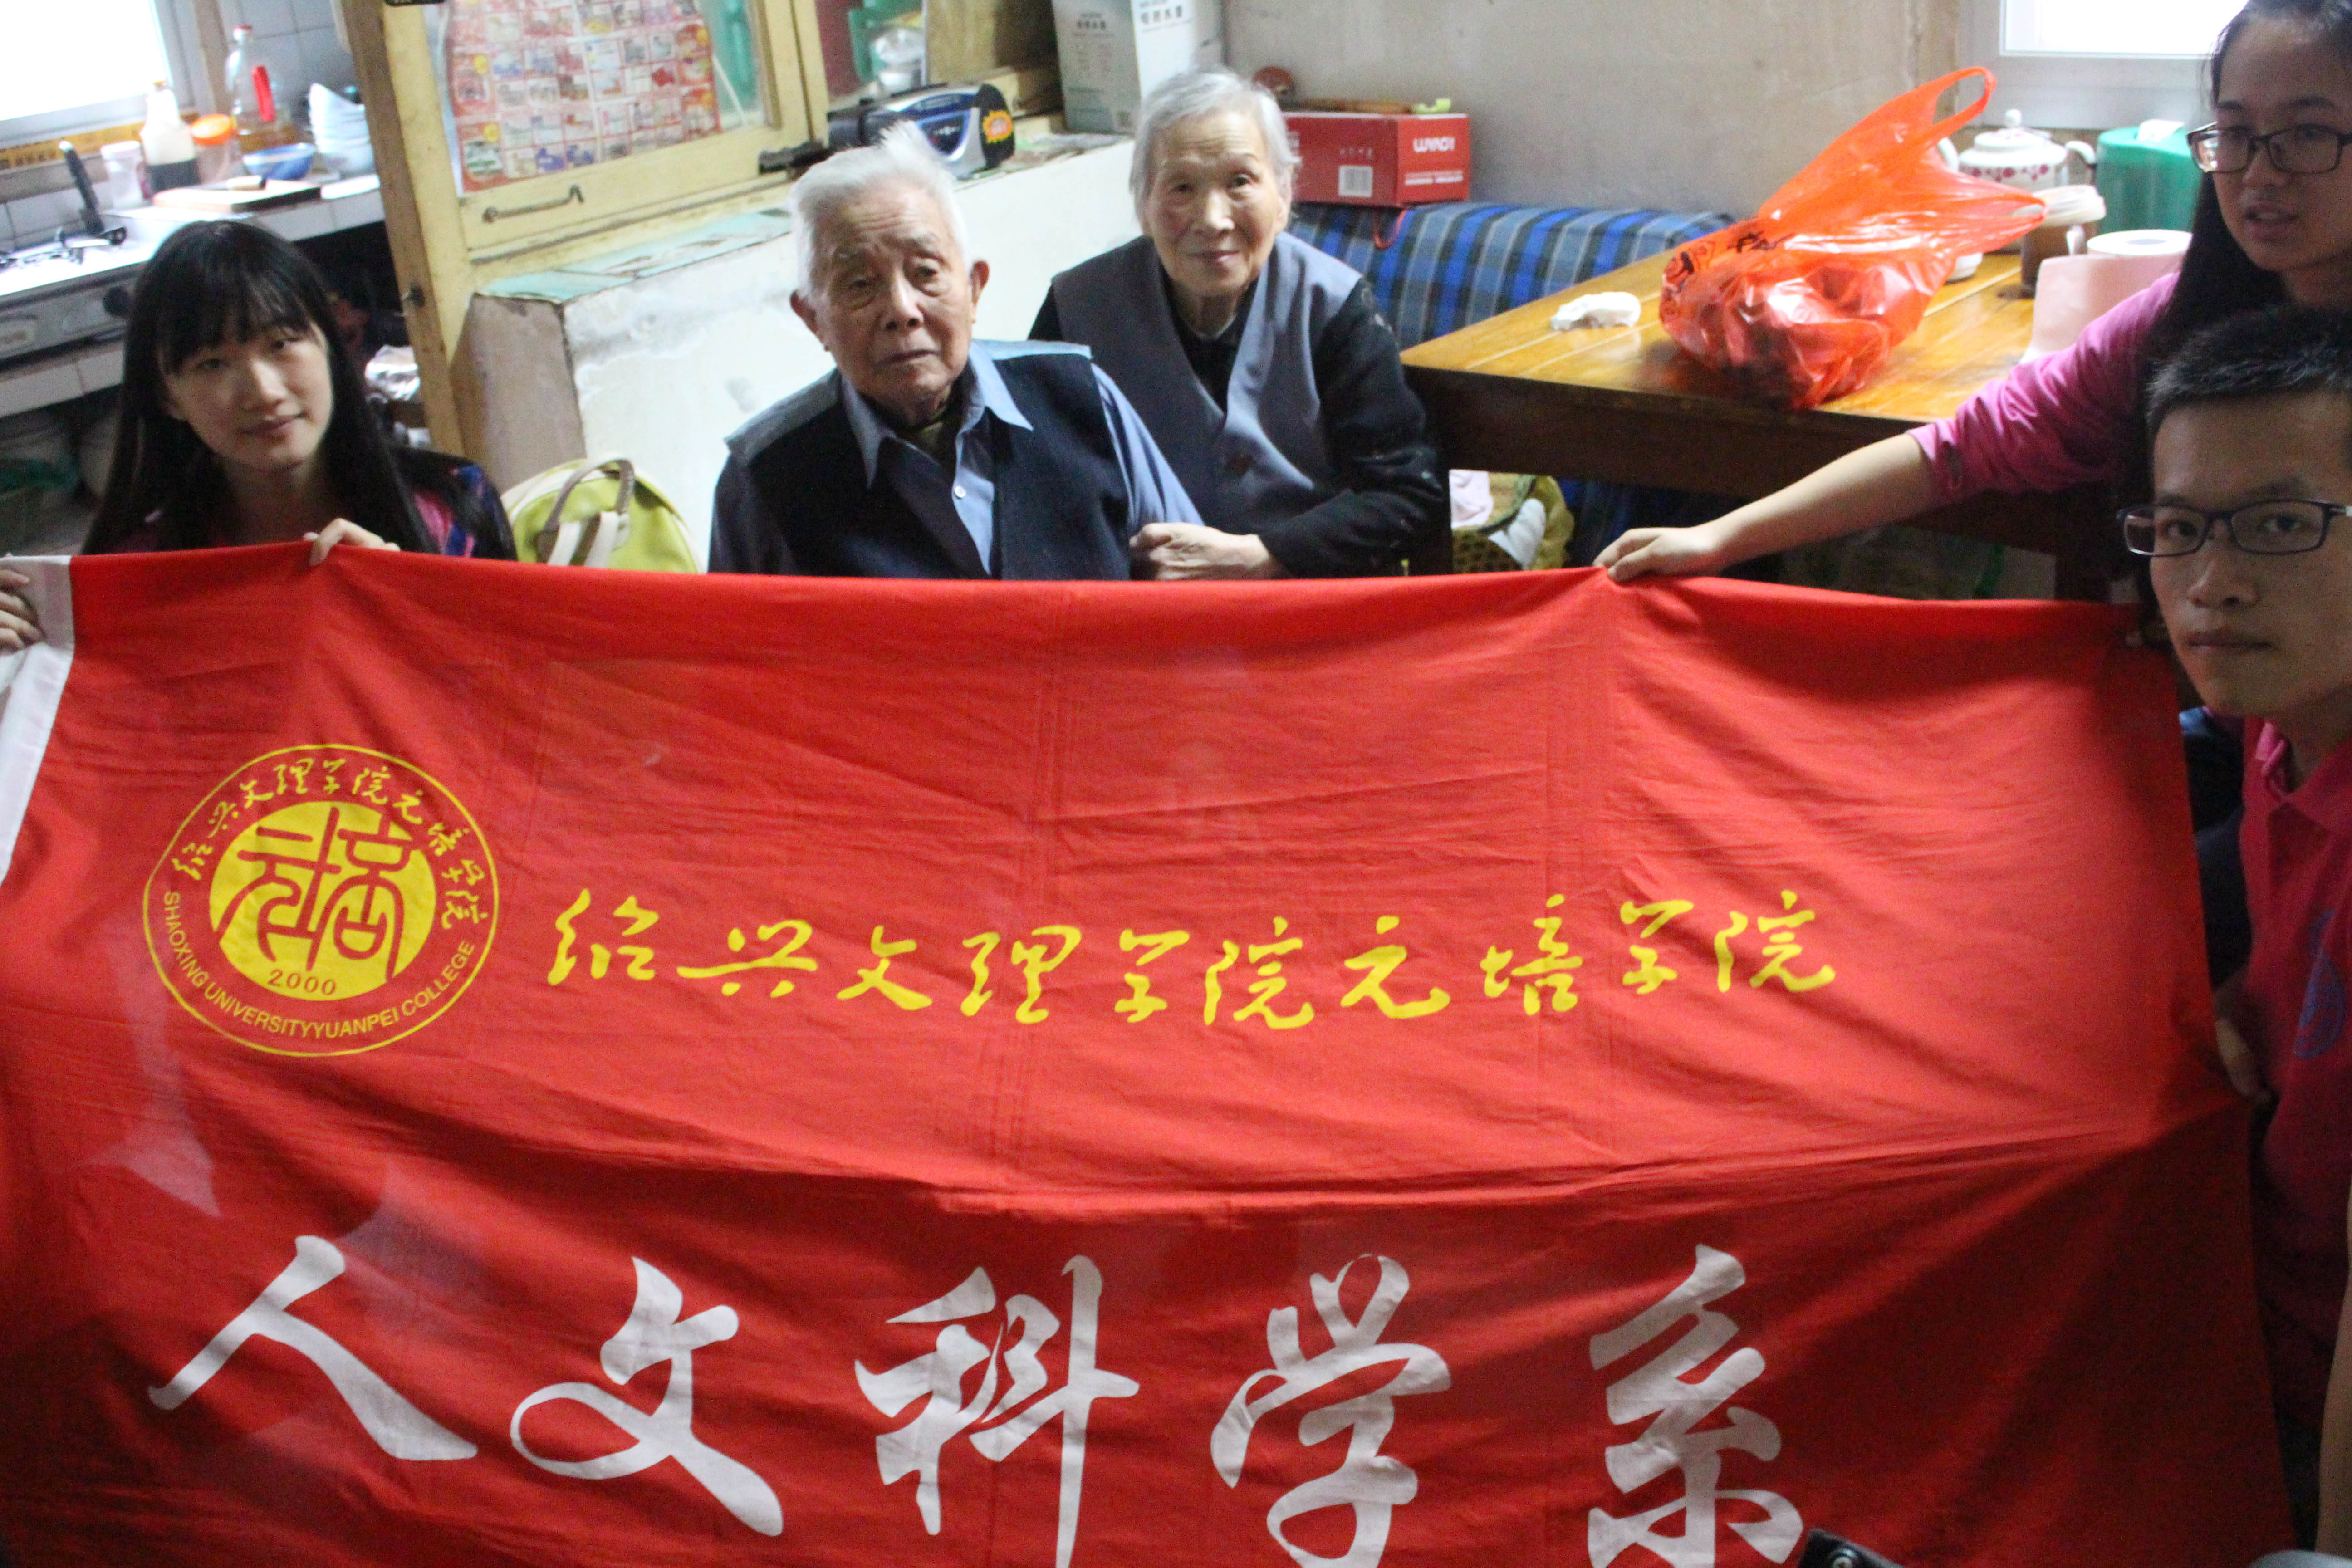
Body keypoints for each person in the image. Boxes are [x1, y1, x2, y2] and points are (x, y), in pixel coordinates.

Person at [1596, 0, 2352, 587]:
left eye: (2308, 135)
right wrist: (1720, 538)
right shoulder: (2177, 322)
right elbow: (1958, 448)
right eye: (2235, 133)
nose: (2259, 174)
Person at [2137, 304, 2352, 1547]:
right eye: (2178, 530)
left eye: (2279, 526)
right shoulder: (2281, 721)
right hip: (2239, 1284)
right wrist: (2238, 1002)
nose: (2210, 583)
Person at [710, 122, 1199, 579]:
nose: (902, 310)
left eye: (925, 272)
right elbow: (731, 643)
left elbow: (1197, 585)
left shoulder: (1083, 399)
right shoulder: (766, 478)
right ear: (814, 318)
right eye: (859, 284)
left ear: (973, 289)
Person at [0, 222, 514, 652]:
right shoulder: (134, 577)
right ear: (167, 395)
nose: (263, 393)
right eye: (212, 364)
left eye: (282, 343)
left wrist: (408, 600)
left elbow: (517, 692)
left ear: (332, 350)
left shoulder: (452, 510)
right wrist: (19, 646)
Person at [1032, 67, 1447, 580]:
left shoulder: (1334, 306)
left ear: (1284, 196)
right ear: (1143, 205)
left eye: (1240, 182)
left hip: (1308, 603)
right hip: (1145, 608)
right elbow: (1034, 487)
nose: (1213, 220)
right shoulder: (1078, 309)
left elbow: (1410, 495)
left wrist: (1259, 556)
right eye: (1182, 187)